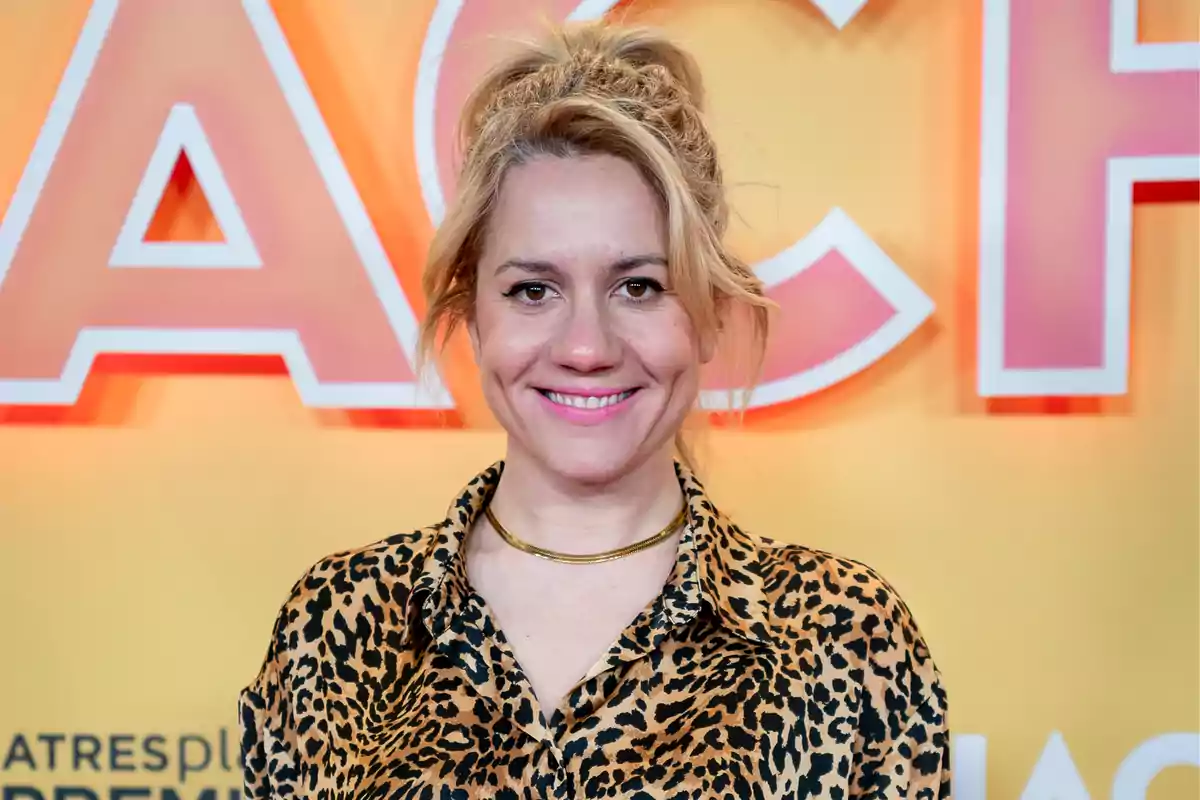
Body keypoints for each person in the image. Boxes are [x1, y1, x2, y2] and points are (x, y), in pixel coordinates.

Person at [239, 19, 951, 799]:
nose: (586, 346)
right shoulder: (338, 622)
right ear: (474, 317)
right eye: (533, 290)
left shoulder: (842, 640)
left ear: (709, 314)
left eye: (638, 286)